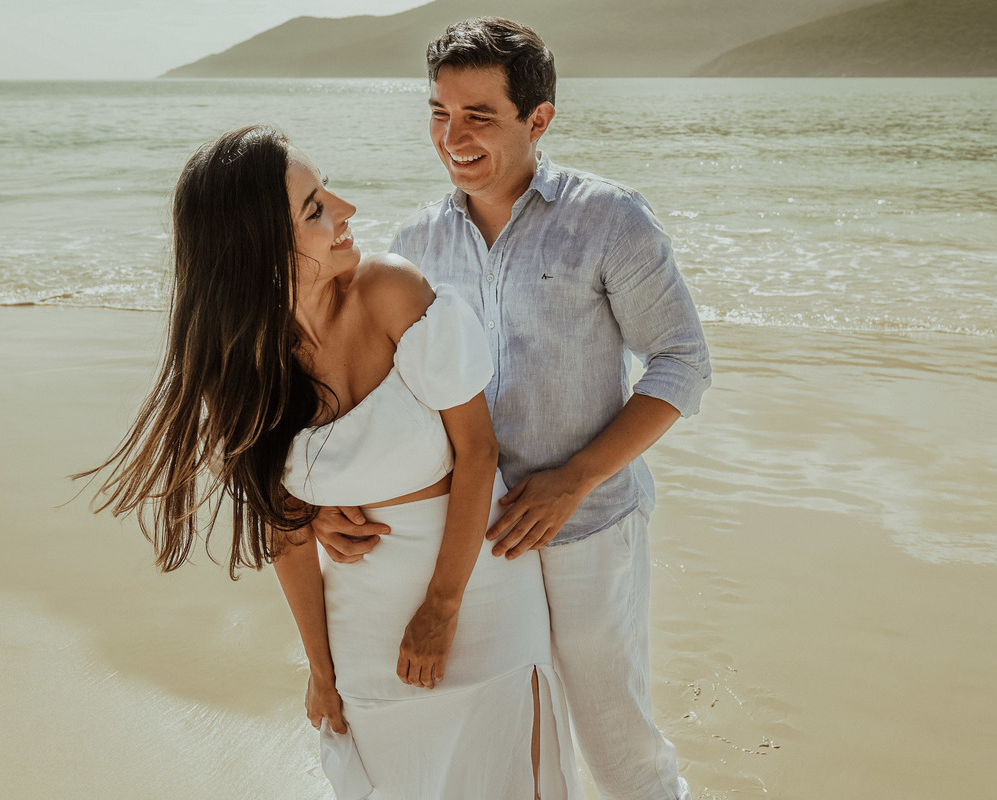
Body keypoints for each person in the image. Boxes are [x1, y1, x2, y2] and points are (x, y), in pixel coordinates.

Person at [79, 125, 583, 799]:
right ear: (259, 251)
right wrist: (320, 669)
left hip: (480, 587)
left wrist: (442, 607)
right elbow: (282, 528)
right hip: (362, 614)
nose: (345, 210)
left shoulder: (390, 293)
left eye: (327, 192)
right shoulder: (245, 369)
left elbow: (477, 452)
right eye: (314, 208)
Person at [309, 17, 710, 800]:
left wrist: (576, 479)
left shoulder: (611, 219)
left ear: (539, 119)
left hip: (587, 526)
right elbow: (381, 390)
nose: (451, 136)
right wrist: (330, 501)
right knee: (499, 747)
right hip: (463, 540)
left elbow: (682, 365)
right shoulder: (416, 241)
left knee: (613, 740)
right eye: (438, 112)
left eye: (478, 116)